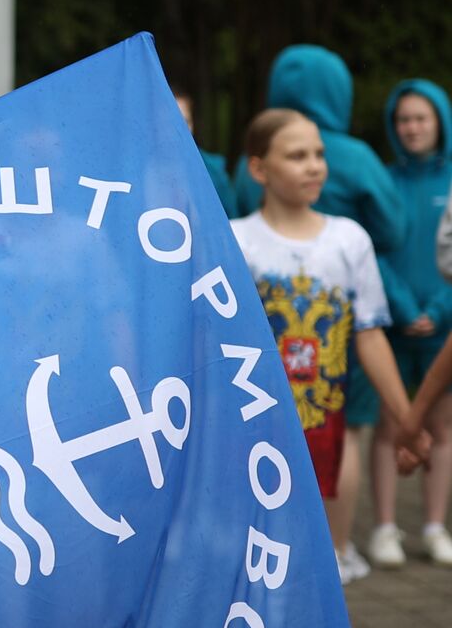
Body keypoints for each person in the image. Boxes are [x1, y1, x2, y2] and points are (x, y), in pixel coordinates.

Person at [233, 44, 406, 581]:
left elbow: (372, 335)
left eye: (317, 155)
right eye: (298, 156)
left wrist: (407, 418)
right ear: (258, 169)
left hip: (326, 389)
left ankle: (333, 551)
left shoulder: (348, 241)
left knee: (340, 442)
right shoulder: (237, 243)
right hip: (255, 407)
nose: (315, 165)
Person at [367, 80, 452, 566]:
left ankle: (435, 526)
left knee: (440, 425)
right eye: (403, 119)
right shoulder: (383, 180)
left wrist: (439, 309)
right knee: (390, 422)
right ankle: (383, 528)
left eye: (421, 118)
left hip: (443, 323)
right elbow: (372, 251)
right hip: (393, 325)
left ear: (440, 121)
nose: (412, 128)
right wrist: (401, 306)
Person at [173, 89, 237, 218]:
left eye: (184, 122)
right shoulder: (137, 172)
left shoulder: (213, 171)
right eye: (168, 122)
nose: (177, 130)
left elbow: (230, 222)